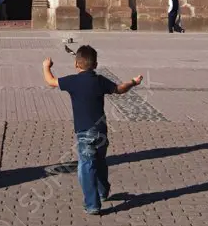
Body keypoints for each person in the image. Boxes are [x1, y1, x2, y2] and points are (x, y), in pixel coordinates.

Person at [43, 46, 143, 215]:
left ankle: (92, 204)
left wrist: (46, 66)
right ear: (95, 64)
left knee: (86, 166)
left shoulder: (73, 81)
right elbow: (119, 89)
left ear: (76, 64)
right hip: (101, 131)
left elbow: (51, 81)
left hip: (84, 133)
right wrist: (133, 82)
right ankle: (103, 192)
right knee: (100, 162)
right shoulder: (100, 80)